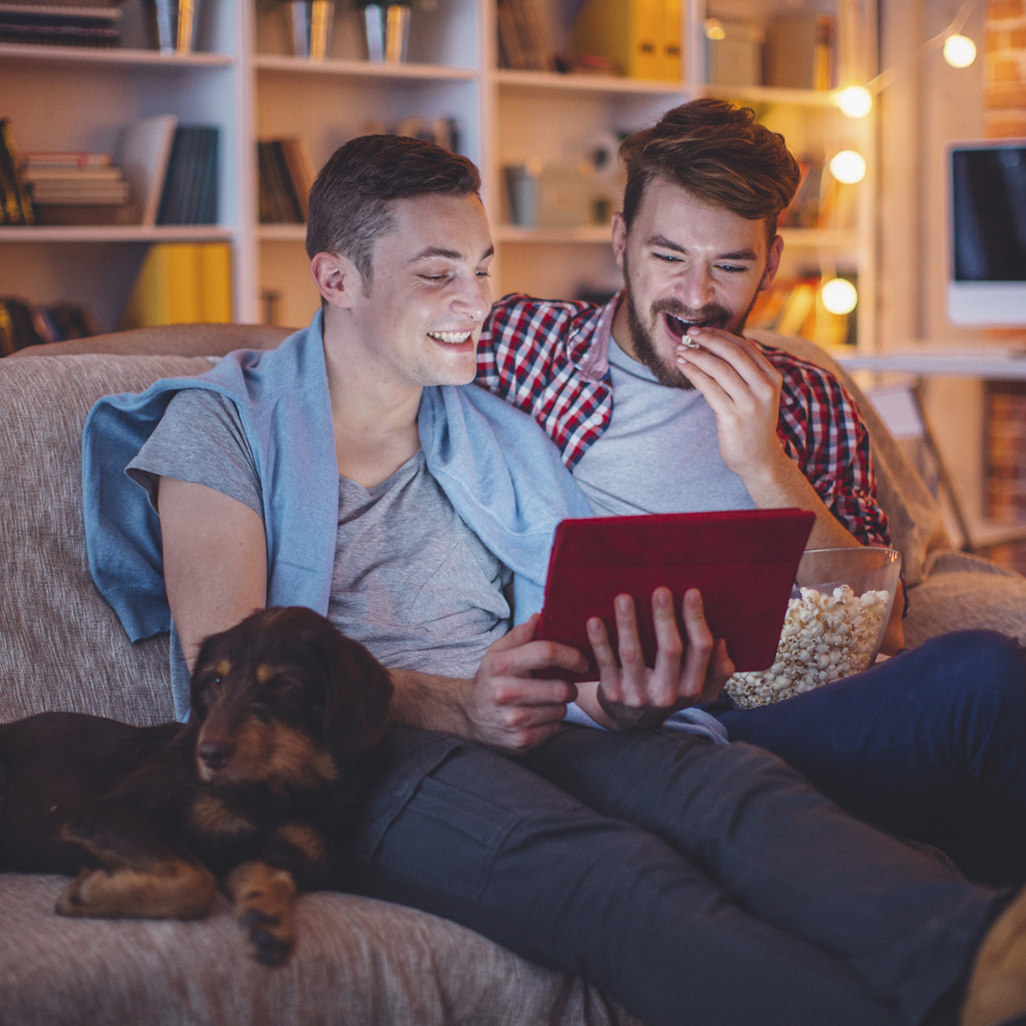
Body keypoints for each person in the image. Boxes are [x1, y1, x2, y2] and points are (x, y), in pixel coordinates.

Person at [82, 133, 1026, 1026]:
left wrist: (622, 690)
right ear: (335, 278)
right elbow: (234, 686)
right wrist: (464, 708)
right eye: (438, 275)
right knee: (613, 876)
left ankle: (980, 960)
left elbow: (566, 612)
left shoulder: (492, 428)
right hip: (370, 751)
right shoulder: (219, 428)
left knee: (734, 791)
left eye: (485, 269)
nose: (476, 301)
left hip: (538, 724)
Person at [474, 98, 1026, 889]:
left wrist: (764, 462)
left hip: (775, 726)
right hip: (612, 736)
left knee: (984, 677)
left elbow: (885, 629)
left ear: (770, 264)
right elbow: (362, 350)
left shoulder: (807, 397)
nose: (696, 296)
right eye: (668, 256)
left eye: (730, 266)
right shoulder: (526, 346)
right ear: (621, 241)